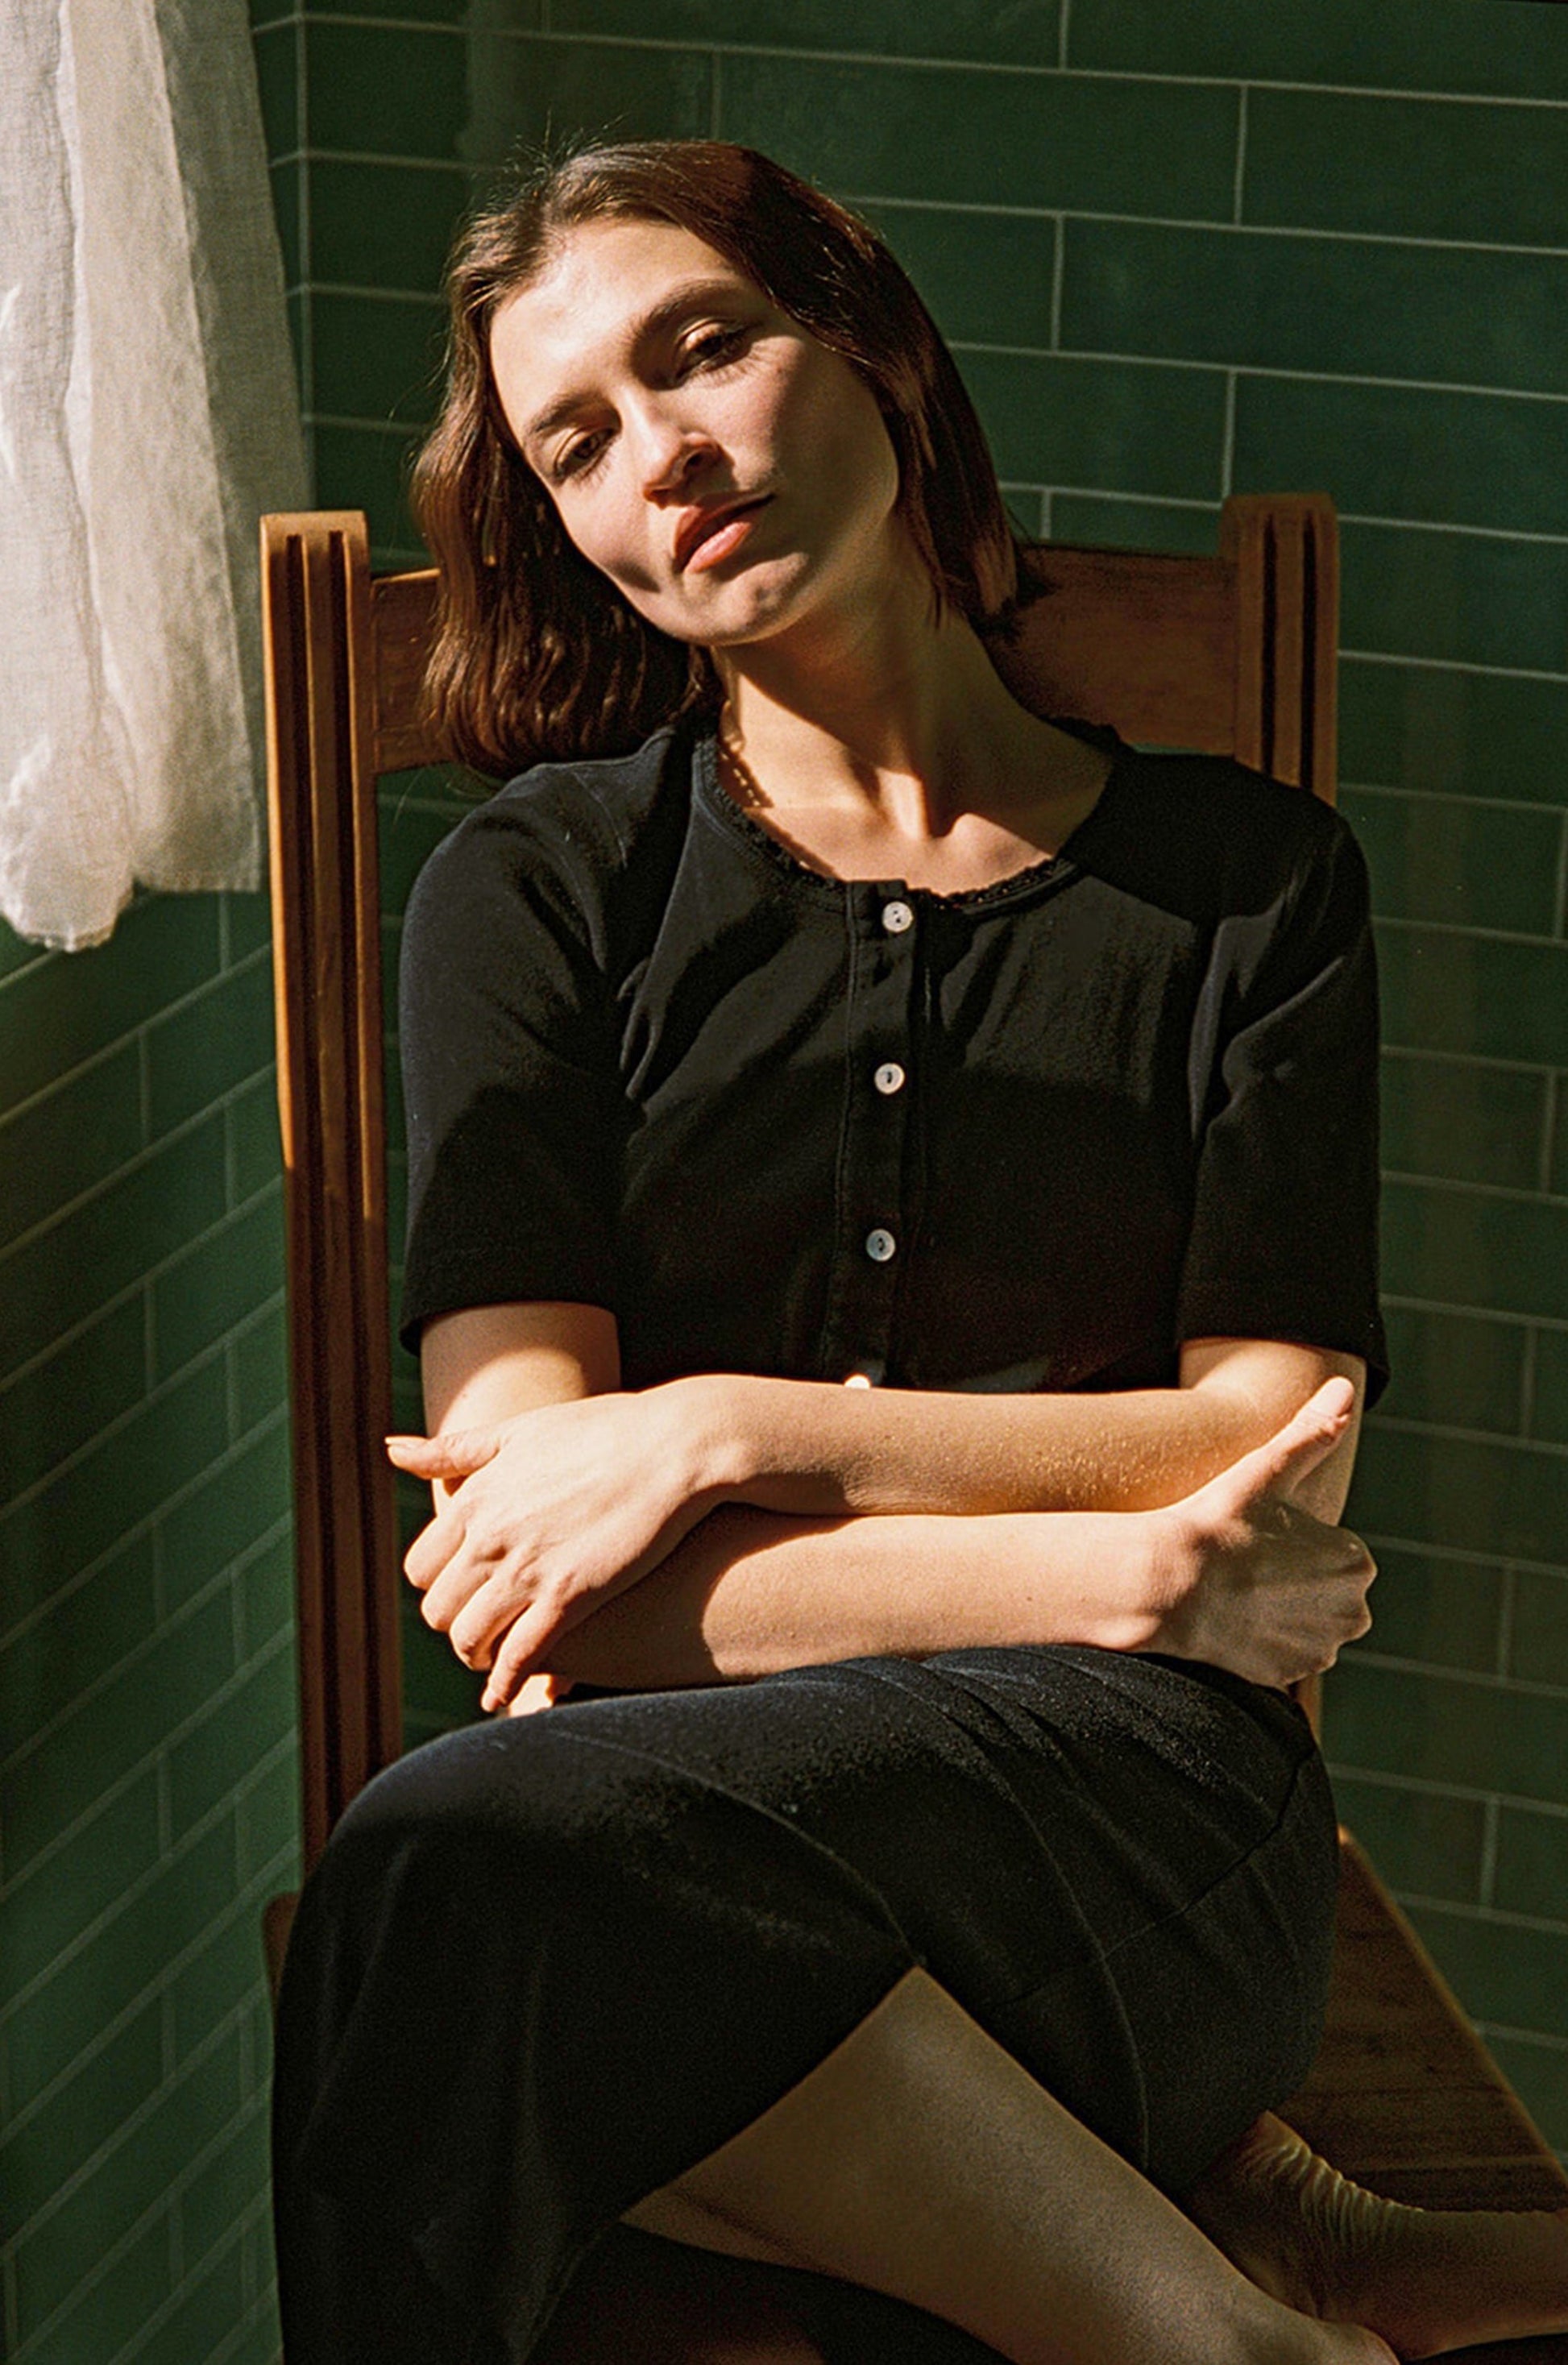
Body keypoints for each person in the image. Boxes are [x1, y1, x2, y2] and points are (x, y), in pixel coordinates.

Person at [270, 140, 1568, 2365]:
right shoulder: (535, 889)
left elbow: (1278, 1449)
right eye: (576, 440)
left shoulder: (1249, 887)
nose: (658, 455)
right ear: (565, 532)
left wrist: (717, 1432)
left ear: (862, 341)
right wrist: (1120, 1572)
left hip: (1136, 1861)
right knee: (474, 1877)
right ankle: (1220, 2326)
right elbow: (533, 1555)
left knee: (452, 1913)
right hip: (648, 1830)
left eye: (704, 351)